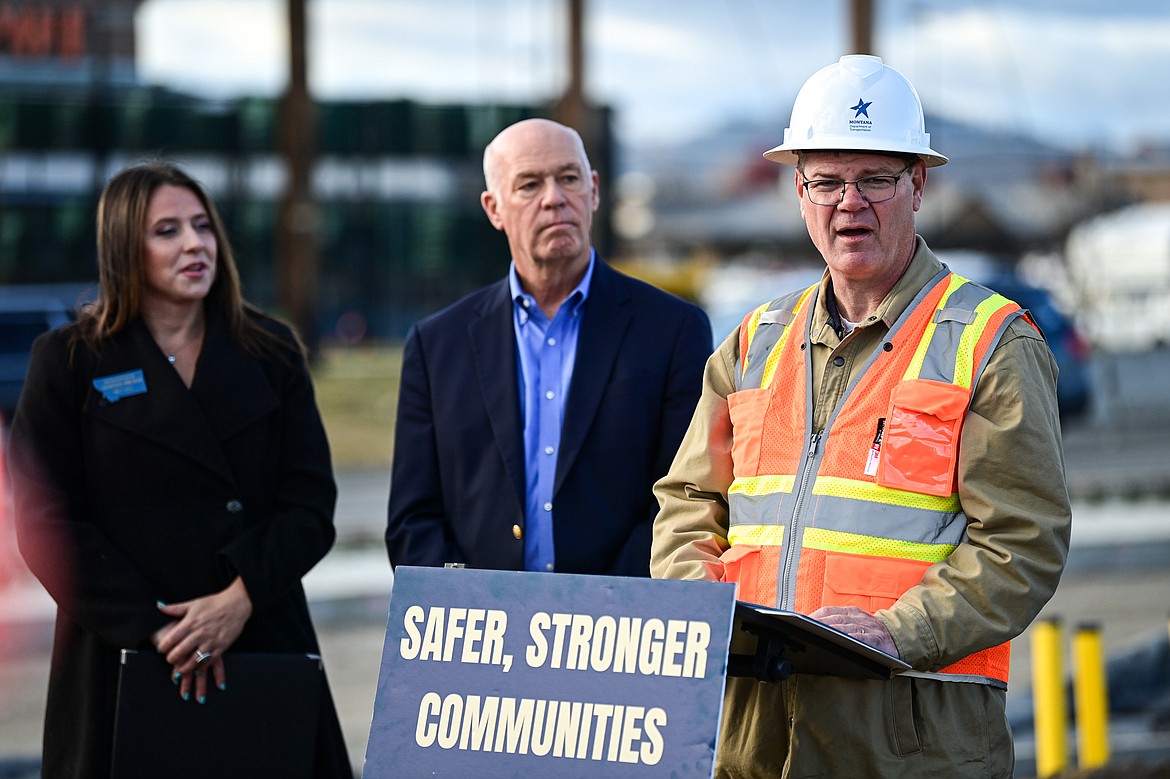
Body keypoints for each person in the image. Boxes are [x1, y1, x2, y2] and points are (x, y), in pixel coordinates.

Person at [650, 55, 1071, 778]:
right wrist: (695, 608)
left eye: (875, 178)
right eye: (828, 180)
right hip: (755, 738)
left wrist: (896, 632)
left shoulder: (990, 341)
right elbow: (688, 502)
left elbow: (1021, 542)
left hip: (911, 742)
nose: (850, 202)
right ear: (799, 190)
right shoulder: (755, 340)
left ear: (918, 184)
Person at [8, 161, 352, 777]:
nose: (195, 244)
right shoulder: (68, 361)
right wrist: (157, 630)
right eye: (167, 230)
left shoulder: (271, 352)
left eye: (202, 226)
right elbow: (43, 522)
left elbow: (309, 506)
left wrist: (238, 600)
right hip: (121, 655)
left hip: (260, 636)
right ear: (124, 248)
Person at [386, 118, 711, 575]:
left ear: (594, 191)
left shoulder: (674, 331)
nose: (554, 198)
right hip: (483, 632)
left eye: (569, 178)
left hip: (619, 627)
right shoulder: (437, 345)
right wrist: (475, 609)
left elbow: (686, 503)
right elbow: (413, 520)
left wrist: (598, 610)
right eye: (529, 184)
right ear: (493, 208)